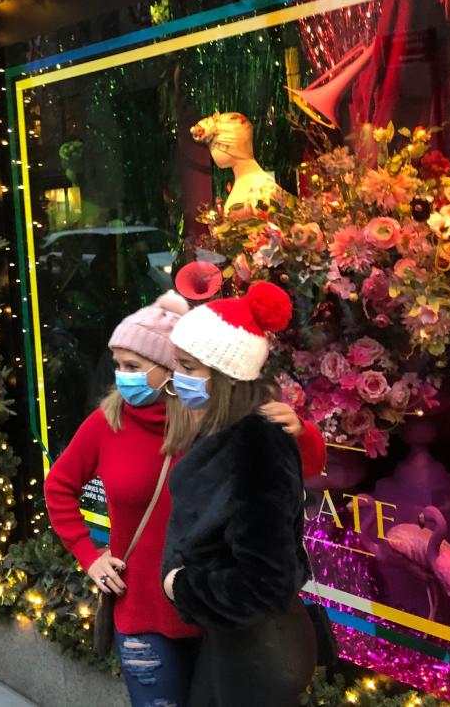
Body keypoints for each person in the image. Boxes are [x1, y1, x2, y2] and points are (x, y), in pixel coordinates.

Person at [44, 292, 324, 707]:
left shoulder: (212, 419)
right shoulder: (108, 420)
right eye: (117, 365)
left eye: (134, 366)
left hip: (217, 620)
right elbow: (59, 486)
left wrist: (300, 430)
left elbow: (295, 471)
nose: (122, 377)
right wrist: (89, 554)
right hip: (144, 614)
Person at [161, 282, 315, 707]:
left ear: (226, 377)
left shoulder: (254, 442)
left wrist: (185, 587)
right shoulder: (223, 431)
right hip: (235, 648)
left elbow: (265, 582)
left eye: (190, 368)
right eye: (178, 365)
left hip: (255, 658)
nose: (179, 378)